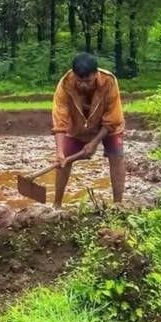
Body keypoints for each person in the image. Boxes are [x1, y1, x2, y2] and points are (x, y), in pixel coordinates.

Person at [51, 52, 126, 208]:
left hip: (108, 127)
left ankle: (118, 205)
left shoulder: (109, 81)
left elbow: (112, 117)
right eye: (80, 81)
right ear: (74, 75)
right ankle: (56, 204)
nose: (84, 85)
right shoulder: (65, 85)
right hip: (78, 126)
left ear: (96, 74)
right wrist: (59, 152)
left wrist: (95, 142)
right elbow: (60, 120)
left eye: (88, 81)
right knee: (63, 160)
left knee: (117, 156)